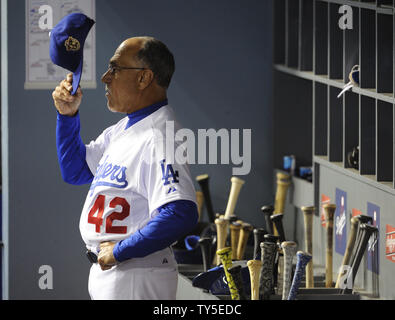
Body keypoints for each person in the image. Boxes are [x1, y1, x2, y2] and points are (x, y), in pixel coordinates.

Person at [52, 36, 199, 300]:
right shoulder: (124, 128)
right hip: (117, 273)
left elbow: (181, 212)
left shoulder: (159, 136)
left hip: (136, 275)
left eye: (115, 69)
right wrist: (67, 116)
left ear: (144, 78)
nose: (105, 77)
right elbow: (74, 170)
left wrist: (120, 251)